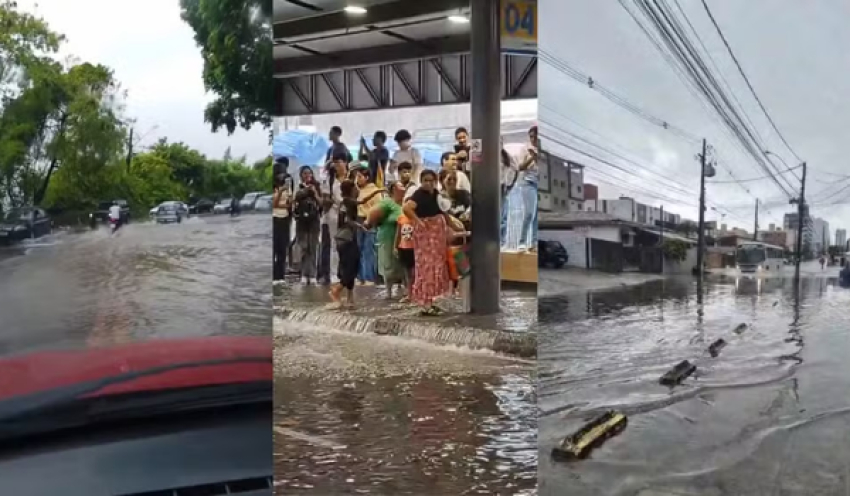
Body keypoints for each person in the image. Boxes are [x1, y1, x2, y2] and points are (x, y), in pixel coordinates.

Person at [403, 170, 451, 316]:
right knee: (426, 266)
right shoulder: (419, 194)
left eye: (431, 180)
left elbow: (444, 211)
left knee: (436, 265)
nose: (428, 183)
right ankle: (425, 302)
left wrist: (453, 227)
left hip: (437, 234)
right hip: (426, 234)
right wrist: (418, 221)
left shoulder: (436, 194)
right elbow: (406, 208)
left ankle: (430, 301)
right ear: (421, 181)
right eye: (425, 180)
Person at [365, 181, 407, 300]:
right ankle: (389, 291)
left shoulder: (404, 202)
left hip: (403, 238)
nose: (403, 188)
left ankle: (404, 289)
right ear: (394, 189)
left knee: (402, 264)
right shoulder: (387, 202)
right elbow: (372, 213)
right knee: (389, 263)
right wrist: (371, 223)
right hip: (388, 236)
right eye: (400, 186)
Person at [329, 180, 362, 308]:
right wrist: (359, 225)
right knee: (351, 266)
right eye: (356, 187)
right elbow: (347, 220)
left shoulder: (346, 203)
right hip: (346, 239)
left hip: (345, 238)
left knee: (350, 264)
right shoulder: (349, 202)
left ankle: (350, 297)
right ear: (351, 189)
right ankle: (337, 289)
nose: (358, 189)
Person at [319, 153, 349, 285]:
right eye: (335, 163)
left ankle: (347, 272)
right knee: (335, 244)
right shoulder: (330, 180)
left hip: (349, 214)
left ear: (345, 162)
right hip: (334, 214)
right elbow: (325, 198)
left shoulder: (351, 177)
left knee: (349, 245)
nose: (337, 165)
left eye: (339, 162)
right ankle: (333, 274)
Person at [355, 168, 385, 285]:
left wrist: (372, 220)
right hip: (359, 220)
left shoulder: (375, 191)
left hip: (370, 220)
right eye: (357, 177)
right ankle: (360, 277)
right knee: (359, 249)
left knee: (369, 250)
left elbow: (378, 208)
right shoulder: (358, 190)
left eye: (360, 177)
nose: (358, 179)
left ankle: (369, 277)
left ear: (367, 178)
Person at [293, 166, 322, 285]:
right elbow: (294, 199)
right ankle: (304, 274)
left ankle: (313, 274)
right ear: (301, 175)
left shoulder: (317, 186)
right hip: (301, 221)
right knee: (304, 247)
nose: (307, 176)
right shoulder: (298, 187)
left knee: (313, 247)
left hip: (314, 221)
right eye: (304, 173)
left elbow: (321, 203)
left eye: (309, 173)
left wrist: (314, 192)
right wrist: (305, 191)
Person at [517, 125, 539, 252]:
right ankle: (522, 241)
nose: (533, 139)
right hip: (528, 182)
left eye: (535, 137)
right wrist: (532, 157)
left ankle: (534, 242)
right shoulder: (525, 148)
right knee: (529, 213)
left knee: (537, 216)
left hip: (539, 183)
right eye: (531, 137)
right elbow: (520, 167)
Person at [273, 159, 293, 282]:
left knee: (282, 247)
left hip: (284, 218)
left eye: (283, 173)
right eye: (280, 174)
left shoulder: (287, 186)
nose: (282, 176)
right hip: (275, 218)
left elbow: (289, 204)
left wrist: (289, 202)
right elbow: (274, 204)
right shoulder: (275, 188)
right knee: (274, 248)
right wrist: (280, 192)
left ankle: (280, 275)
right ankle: (273, 274)